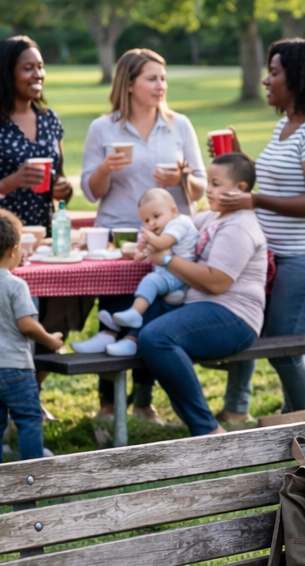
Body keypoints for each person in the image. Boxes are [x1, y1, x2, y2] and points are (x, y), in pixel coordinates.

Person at [213, 38, 305, 423]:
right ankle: (284, 414)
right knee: (265, 337)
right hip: (276, 256)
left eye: (274, 73)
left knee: (283, 347)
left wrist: (254, 201)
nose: (267, 81)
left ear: (298, 78)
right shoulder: (287, 125)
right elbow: (279, 182)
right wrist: (239, 157)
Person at [76, 49, 206, 421]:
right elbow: (90, 190)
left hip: (170, 241)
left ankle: (143, 402)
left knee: (153, 318)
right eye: (152, 78)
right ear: (129, 83)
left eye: (163, 78)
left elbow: (200, 188)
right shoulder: (103, 128)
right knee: (115, 317)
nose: (160, 85)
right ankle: (107, 404)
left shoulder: (179, 124)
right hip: (120, 237)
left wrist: (182, 179)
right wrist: (104, 168)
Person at [136, 153, 267, 436]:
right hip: (202, 307)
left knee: (157, 338)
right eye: (208, 182)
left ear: (240, 190)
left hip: (234, 317)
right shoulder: (211, 217)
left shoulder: (240, 227)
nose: (208, 189)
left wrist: (167, 259)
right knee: (137, 313)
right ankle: (130, 400)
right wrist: (148, 238)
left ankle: (207, 429)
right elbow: (175, 232)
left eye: (217, 184)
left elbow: (217, 282)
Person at [0, 210, 63, 465]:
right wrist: (51, 340)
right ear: (13, 250)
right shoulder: (16, 285)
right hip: (14, 366)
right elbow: (26, 324)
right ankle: (32, 471)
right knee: (27, 419)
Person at [0, 36, 73, 229]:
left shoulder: (50, 120)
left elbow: (58, 178)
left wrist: (63, 189)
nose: (38, 74)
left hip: (39, 234)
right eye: (28, 68)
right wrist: (11, 183)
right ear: (6, 74)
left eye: (40, 66)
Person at [88, 188, 199, 353]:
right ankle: (117, 325)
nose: (151, 223)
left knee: (150, 281)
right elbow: (146, 256)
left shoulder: (180, 223)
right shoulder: (161, 230)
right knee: (143, 286)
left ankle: (132, 315)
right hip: (168, 274)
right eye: (146, 220)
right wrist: (138, 251)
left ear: (173, 211)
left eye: (156, 216)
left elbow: (162, 245)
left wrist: (147, 237)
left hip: (180, 276)